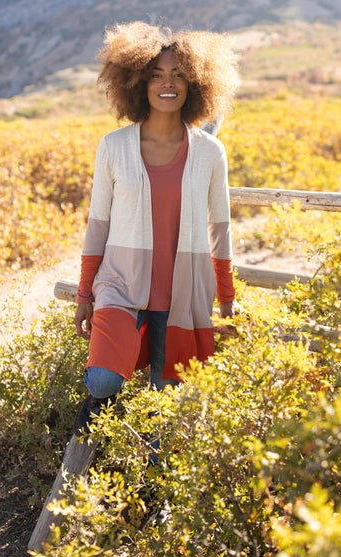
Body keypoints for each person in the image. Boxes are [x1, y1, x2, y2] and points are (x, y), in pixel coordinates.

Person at [73, 21, 239, 433]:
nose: (168, 84)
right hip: (121, 285)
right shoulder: (113, 147)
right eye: (156, 75)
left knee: (170, 410)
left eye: (179, 74)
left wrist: (227, 298)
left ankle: (152, 484)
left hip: (182, 295)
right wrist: (83, 294)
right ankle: (91, 439)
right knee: (104, 379)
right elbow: (98, 225)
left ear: (196, 84)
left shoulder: (209, 152)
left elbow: (221, 227)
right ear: (138, 84)